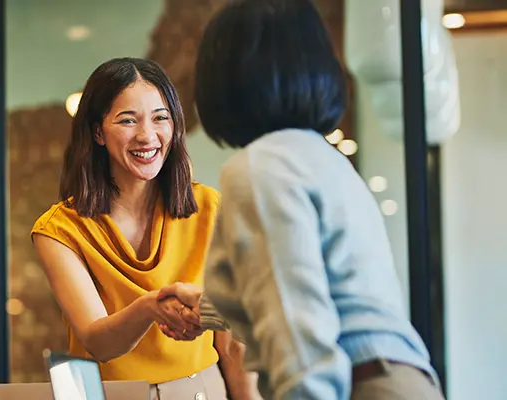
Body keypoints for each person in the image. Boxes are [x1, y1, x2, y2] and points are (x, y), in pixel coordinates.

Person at [156, 0, 446, 399]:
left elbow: (298, 335)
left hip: (359, 385)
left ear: (227, 78)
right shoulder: (323, 159)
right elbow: (313, 291)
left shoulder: (260, 169)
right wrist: (206, 309)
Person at [31, 57, 253, 399]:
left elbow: (235, 344)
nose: (147, 135)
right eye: (128, 120)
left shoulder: (212, 208)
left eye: (160, 118)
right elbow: (97, 341)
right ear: (98, 132)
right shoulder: (59, 230)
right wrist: (150, 306)